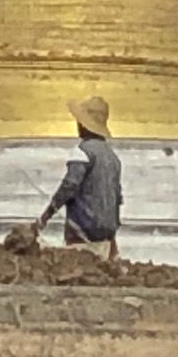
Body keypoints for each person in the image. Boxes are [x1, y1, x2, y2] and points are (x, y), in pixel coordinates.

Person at [28, 95, 121, 254]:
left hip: (83, 229)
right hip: (106, 234)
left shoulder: (82, 152)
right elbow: (117, 197)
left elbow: (69, 186)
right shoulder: (113, 158)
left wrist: (44, 218)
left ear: (84, 125)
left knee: (79, 264)